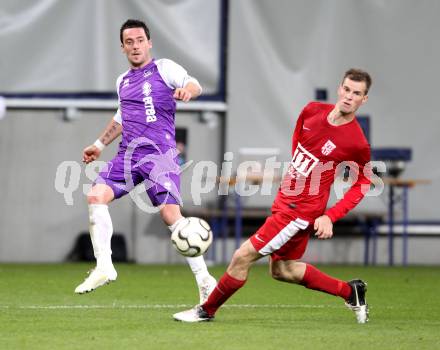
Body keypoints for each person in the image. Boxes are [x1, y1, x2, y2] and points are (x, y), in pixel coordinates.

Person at [173, 69, 373, 324]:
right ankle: (351, 291)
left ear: (363, 100)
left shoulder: (356, 142)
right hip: (285, 202)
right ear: (339, 88)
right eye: (346, 89)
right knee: (283, 270)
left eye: (356, 94)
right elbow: (299, 142)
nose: (349, 96)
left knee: (241, 256)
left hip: (300, 212)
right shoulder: (312, 110)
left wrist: (330, 216)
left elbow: (364, 181)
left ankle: (206, 310)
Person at [75, 19, 216, 304]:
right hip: (128, 155)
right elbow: (121, 117)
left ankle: (205, 280)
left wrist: (188, 90)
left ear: (149, 43)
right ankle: (104, 266)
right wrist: (99, 144)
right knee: (95, 196)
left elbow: (194, 83)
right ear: (123, 47)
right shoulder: (122, 81)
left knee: (170, 216)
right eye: (130, 42)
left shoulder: (164, 68)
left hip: (159, 156)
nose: (135, 46)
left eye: (140, 40)